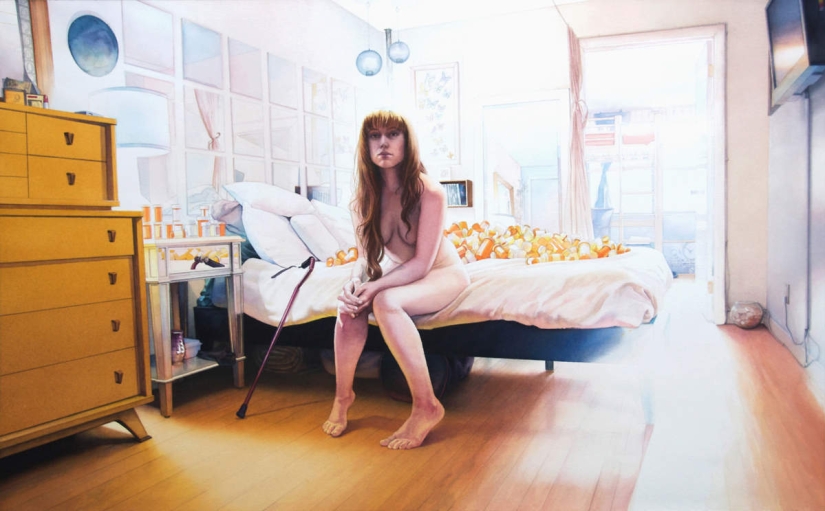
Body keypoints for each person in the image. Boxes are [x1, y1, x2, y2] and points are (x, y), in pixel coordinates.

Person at [322, 110, 470, 450]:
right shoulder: (363, 199)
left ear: (407, 141)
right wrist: (354, 284)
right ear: (365, 145)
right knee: (350, 306)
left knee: (385, 301)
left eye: (392, 134)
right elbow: (365, 259)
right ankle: (343, 397)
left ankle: (427, 405)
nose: (383, 143)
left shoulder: (428, 191)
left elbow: (421, 265)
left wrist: (375, 287)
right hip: (406, 274)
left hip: (442, 274)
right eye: (374, 136)